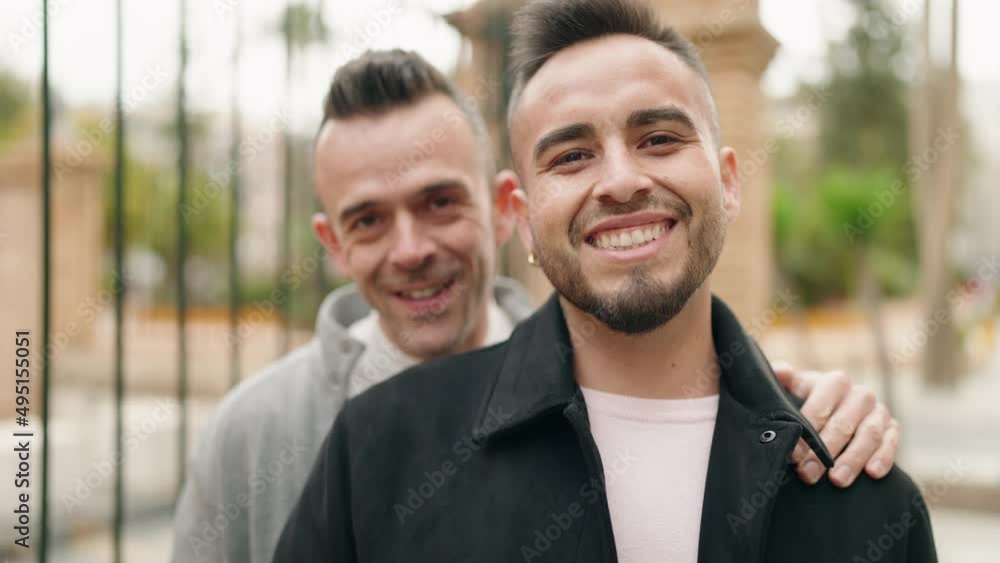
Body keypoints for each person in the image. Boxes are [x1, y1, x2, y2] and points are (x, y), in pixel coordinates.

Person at [172, 49, 899, 563]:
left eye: (440, 201)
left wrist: (782, 402)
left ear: (502, 210)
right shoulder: (259, 433)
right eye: (368, 220)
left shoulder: (619, 366)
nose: (411, 248)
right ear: (331, 242)